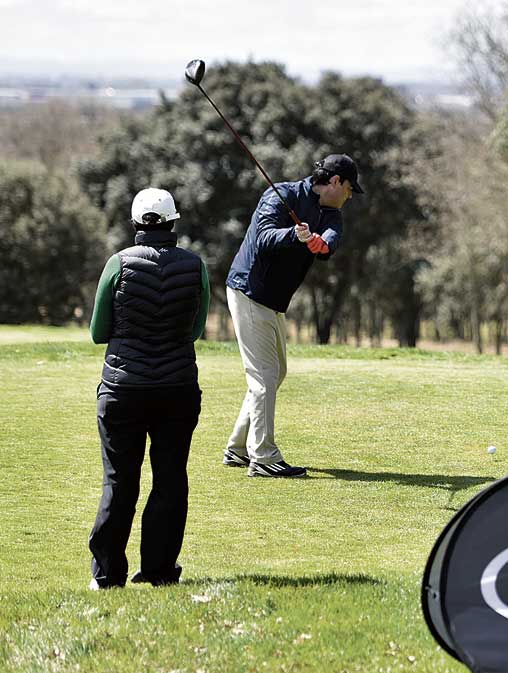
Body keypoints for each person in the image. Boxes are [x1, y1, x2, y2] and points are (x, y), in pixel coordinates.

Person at [88, 187, 208, 589]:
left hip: (123, 389)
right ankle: (158, 571)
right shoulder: (196, 266)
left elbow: (97, 332)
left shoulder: (117, 263)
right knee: (170, 478)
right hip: (177, 389)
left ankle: (107, 575)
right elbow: (196, 329)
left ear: (136, 223)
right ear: (174, 222)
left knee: (120, 481)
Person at [223, 154, 363, 478]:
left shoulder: (331, 213)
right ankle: (264, 457)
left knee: (275, 373)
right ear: (336, 182)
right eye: (350, 188)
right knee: (264, 377)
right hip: (249, 291)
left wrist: (317, 242)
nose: (351, 195)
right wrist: (294, 235)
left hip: (273, 301)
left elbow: (330, 240)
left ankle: (238, 448)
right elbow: (262, 238)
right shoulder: (281, 195)